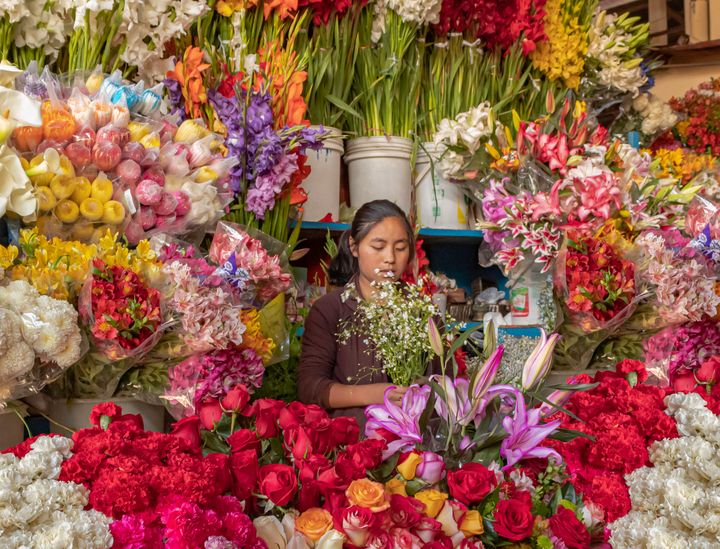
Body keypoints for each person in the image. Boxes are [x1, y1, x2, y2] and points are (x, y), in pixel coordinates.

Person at [298, 200, 416, 427]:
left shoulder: (422, 312)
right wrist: (378, 394)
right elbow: (310, 388)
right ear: (354, 247)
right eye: (378, 246)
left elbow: (443, 380)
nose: (390, 258)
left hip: (416, 446)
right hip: (354, 448)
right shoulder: (330, 310)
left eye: (400, 247)